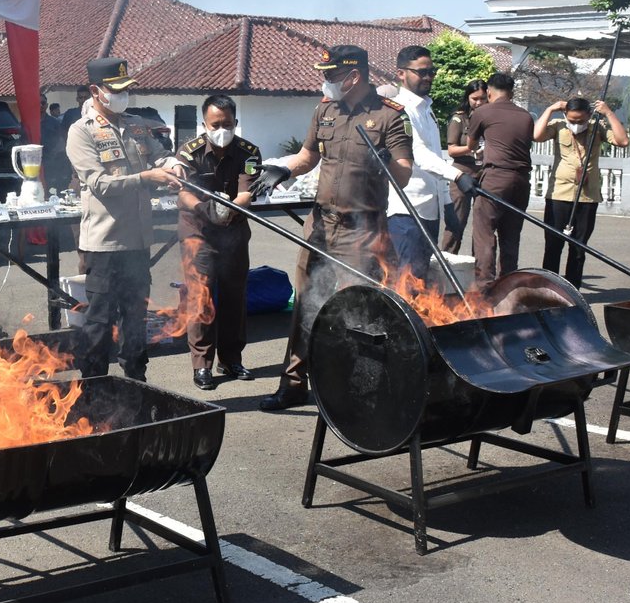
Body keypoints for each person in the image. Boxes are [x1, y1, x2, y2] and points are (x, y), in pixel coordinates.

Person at [249, 45, 413, 411]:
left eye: (330, 75)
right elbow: (308, 157)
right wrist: (283, 170)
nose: (325, 82)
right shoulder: (325, 110)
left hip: (363, 231)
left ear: (353, 76)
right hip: (321, 223)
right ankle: (293, 384)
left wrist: (386, 160)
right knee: (306, 303)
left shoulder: (389, 117)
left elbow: (405, 172)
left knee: (358, 310)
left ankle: (360, 389)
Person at [64, 57, 178, 381]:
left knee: (136, 318)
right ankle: (95, 387)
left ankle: (136, 381)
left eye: (127, 89)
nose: (123, 95)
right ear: (95, 91)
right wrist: (148, 177)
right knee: (100, 321)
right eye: (116, 90)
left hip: (138, 241)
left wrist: (173, 164)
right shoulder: (81, 132)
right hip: (105, 244)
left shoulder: (136, 124)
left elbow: (159, 154)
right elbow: (100, 184)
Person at [173, 94, 260, 390]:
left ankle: (231, 359)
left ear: (236, 123)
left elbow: (247, 191)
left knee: (235, 297)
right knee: (201, 297)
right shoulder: (189, 152)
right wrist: (203, 208)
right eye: (215, 124)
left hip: (234, 233)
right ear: (204, 124)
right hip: (199, 233)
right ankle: (202, 365)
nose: (221, 129)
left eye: (227, 123)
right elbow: (183, 193)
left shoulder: (249, 152)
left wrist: (233, 206)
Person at [387, 47, 474, 282]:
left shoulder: (427, 109)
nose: (428, 77)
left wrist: (447, 204)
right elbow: (419, 154)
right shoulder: (399, 110)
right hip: (406, 209)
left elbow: (437, 157)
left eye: (431, 72)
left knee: (422, 277)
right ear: (401, 74)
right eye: (422, 72)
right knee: (407, 281)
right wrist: (457, 175)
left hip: (429, 209)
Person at [534, 96, 628, 286]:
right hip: (559, 194)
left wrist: (608, 112)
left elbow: (623, 141)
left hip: (587, 196)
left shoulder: (597, 128)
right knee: (553, 244)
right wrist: (551, 108)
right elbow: (536, 135)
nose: (576, 124)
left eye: (581, 121)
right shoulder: (559, 125)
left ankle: (572, 289)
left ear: (589, 115)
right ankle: (549, 288)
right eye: (572, 120)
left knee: (578, 247)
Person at [464, 72, 535, 293]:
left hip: (495, 178)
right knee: (511, 236)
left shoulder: (482, 112)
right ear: (512, 92)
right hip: (522, 180)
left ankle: (484, 289)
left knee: (484, 234)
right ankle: (508, 288)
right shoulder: (526, 116)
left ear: (489, 92)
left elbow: (471, 144)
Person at [440, 80, 487, 254]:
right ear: (468, 98)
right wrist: (470, 149)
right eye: (475, 98)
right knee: (457, 220)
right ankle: (447, 261)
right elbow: (452, 150)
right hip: (462, 173)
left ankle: (480, 266)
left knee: (483, 224)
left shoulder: (490, 118)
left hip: (484, 174)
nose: (479, 103)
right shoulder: (459, 118)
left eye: (483, 99)